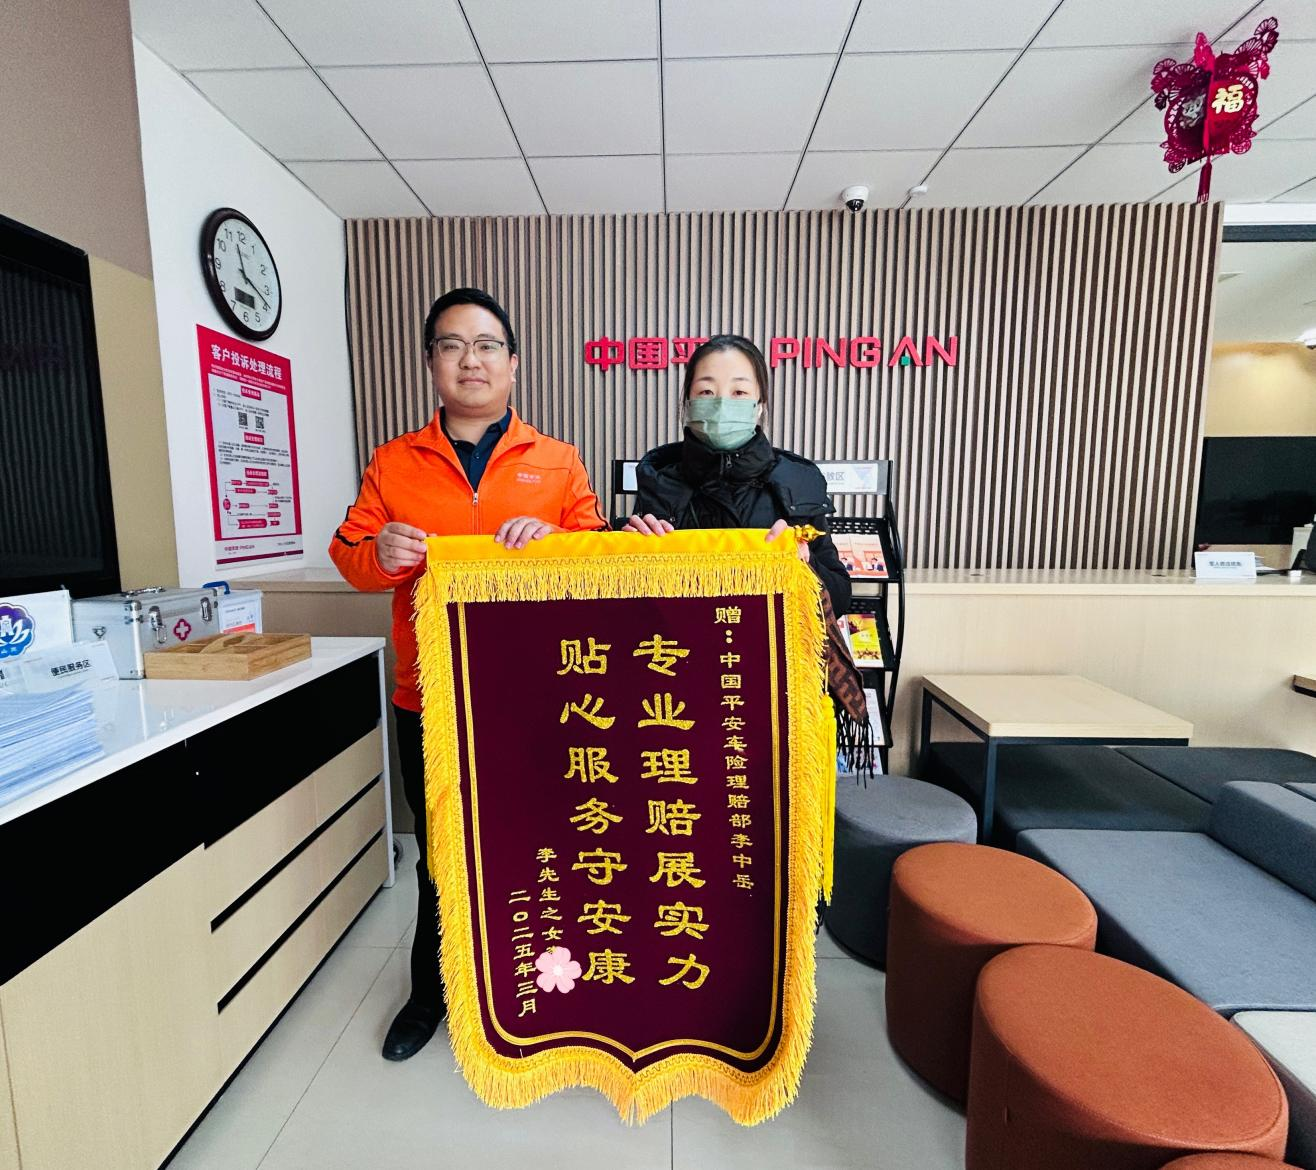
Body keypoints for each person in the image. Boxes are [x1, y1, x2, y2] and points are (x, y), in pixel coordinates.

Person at [330, 287, 606, 1061]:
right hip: (430, 699)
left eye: (487, 345)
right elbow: (350, 556)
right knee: (441, 856)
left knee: (545, 848)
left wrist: (553, 541)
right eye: (452, 345)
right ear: (432, 364)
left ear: (513, 364)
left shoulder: (558, 460)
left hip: (540, 702)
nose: (471, 360)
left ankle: (549, 993)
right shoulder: (394, 461)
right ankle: (431, 996)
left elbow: (598, 557)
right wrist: (381, 554)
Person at [622, 334, 851, 617]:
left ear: (760, 405)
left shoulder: (798, 481)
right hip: (686, 641)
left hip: (773, 644)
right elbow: (634, 609)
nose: (721, 404)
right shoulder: (658, 481)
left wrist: (805, 563)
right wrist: (627, 558)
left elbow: (840, 599)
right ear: (688, 403)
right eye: (707, 392)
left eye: (739, 392)